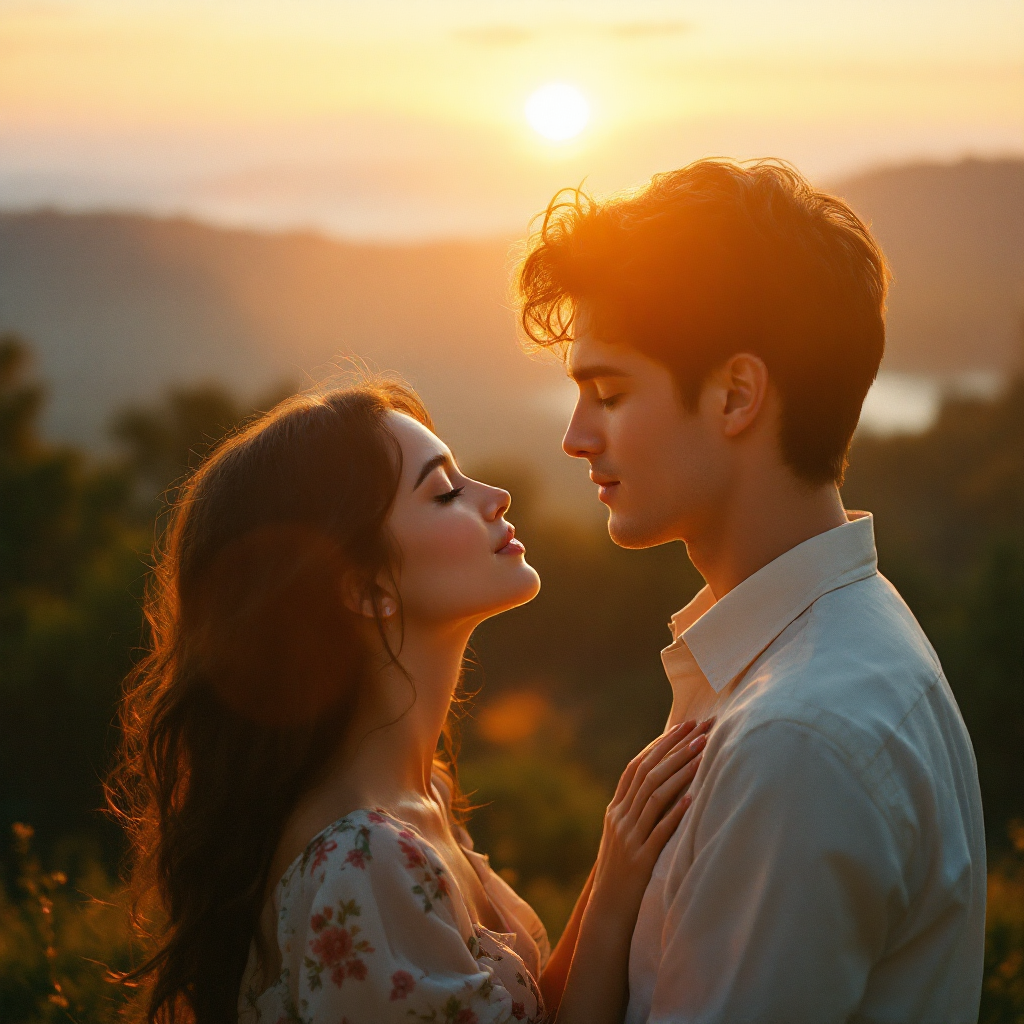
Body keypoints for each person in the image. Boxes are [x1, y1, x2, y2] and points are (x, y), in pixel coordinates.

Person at [515, 158, 987, 1023]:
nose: (576, 437)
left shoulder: (797, 741)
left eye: (609, 393)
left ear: (737, 393)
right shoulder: (826, 648)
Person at [108, 380, 711, 1024]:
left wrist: (612, 866)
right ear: (366, 588)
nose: (495, 496)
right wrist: (614, 894)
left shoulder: (424, 801)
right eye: (445, 492)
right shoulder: (362, 864)